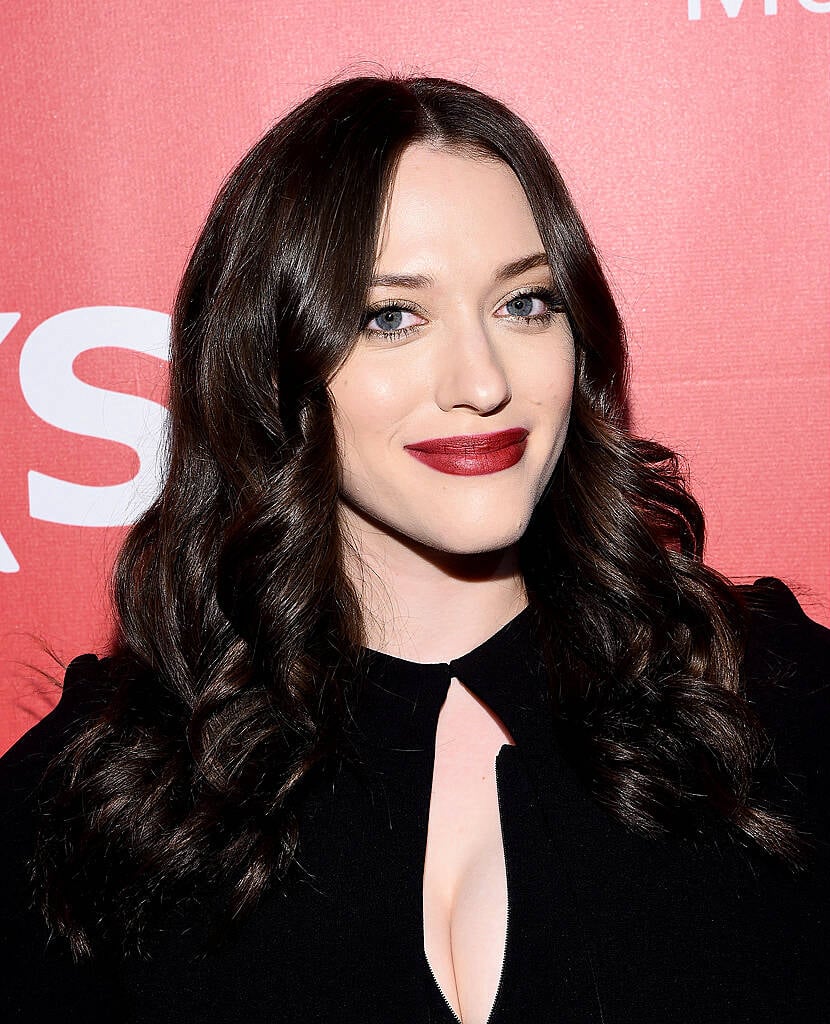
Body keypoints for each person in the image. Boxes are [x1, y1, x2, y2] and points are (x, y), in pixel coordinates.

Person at [1, 71, 827, 1024]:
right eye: (392, 316)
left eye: (525, 304)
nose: (481, 381)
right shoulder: (111, 791)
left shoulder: (770, 697)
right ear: (272, 364)